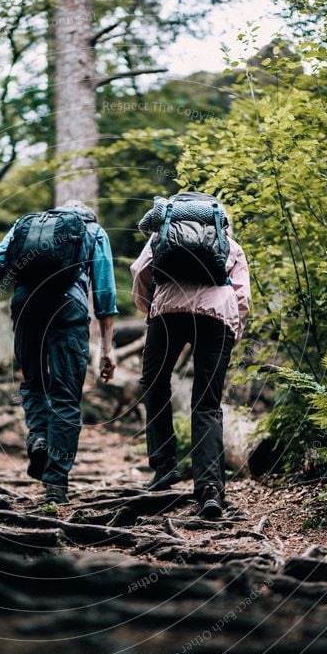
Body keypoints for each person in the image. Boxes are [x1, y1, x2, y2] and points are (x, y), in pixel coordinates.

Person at [0, 201, 118, 505]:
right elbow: (104, 292)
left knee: (33, 382)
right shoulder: (94, 231)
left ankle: (39, 436)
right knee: (65, 395)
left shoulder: (26, 223)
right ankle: (55, 484)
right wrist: (107, 349)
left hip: (25, 304)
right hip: (68, 307)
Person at [131, 194, 251, 518]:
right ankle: (210, 490)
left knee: (153, 384)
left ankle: (165, 465)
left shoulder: (163, 234)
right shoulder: (228, 242)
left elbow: (141, 271)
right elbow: (242, 294)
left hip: (168, 312)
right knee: (207, 403)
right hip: (217, 317)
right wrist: (232, 332)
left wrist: (150, 309)